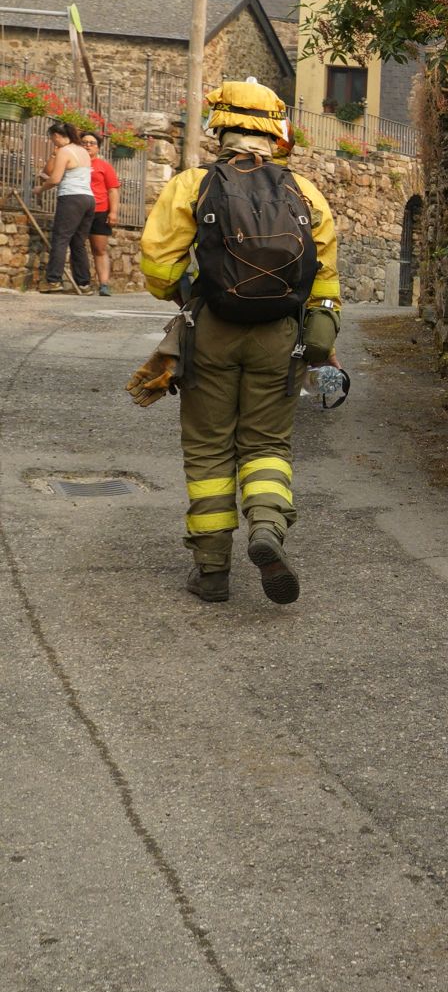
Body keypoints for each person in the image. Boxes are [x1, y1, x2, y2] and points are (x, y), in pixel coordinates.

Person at [139, 80, 341, 605]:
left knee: (209, 449)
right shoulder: (305, 192)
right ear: (277, 132)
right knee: (268, 446)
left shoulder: (192, 185)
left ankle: (211, 571)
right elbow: (325, 277)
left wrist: (183, 289)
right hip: (280, 338)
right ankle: (268, 527)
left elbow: (158, 268)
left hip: (212, 330)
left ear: (220, 128)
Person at [33, 121, 94, 294]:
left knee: (60, 238)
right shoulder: (83, 151)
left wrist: (40, 188)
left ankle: (53, 281)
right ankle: (84, 284)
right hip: (88, 199)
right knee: (78, 242)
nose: (53, 142)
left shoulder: (65, 151)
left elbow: (55, 179)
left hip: (71, 198)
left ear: (57, 136)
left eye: (53, 139)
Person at [79, 130, 121, 296]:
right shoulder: (74, 163)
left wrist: (114, 212)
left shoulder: (104, 166)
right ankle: (82, 283)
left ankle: (104, 284)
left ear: (98, 148)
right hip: (79, 211)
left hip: (100, 210)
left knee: (99, 249)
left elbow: (113, 190)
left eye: (92, 143)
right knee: (78, 247)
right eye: (84, 142)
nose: (88, 145)